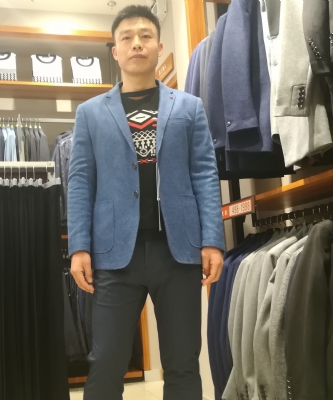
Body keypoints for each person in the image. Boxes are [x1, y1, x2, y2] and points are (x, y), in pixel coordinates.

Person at [67, 5, 225, 400]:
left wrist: (212, 239)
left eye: (145, 36)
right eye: (127, 37)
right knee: (105, 363)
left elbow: (204, 174)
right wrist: (79, 247)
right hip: (113, 256)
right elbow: (81, 182)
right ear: (116, 51)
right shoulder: (90, 114)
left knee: (183, 362)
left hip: (178, 252)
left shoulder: (189, 107)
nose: (136, 43)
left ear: (158, 47)